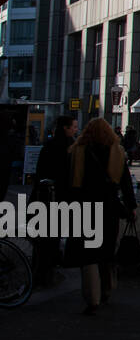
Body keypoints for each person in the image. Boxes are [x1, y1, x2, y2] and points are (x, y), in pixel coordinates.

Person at [66, 118, 137, 315]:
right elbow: (126, 183)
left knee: (88, 254)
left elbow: (69, 183)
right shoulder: (117, 151)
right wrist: (131, 206)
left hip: (86, 206)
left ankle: (92, 298)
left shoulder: (78, 151)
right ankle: (107, 288)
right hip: (110, 207)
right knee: (107, 251)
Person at [32, 115, 78, 287]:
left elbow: (39, 174)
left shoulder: (49, 146)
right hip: (61, 198)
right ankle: (47, 273)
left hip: (44, 199)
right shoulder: (71, 148)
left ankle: (40, 272)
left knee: (43, 238)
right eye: (73, 126)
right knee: (54, 236)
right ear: (65, 128)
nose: (75, 129)